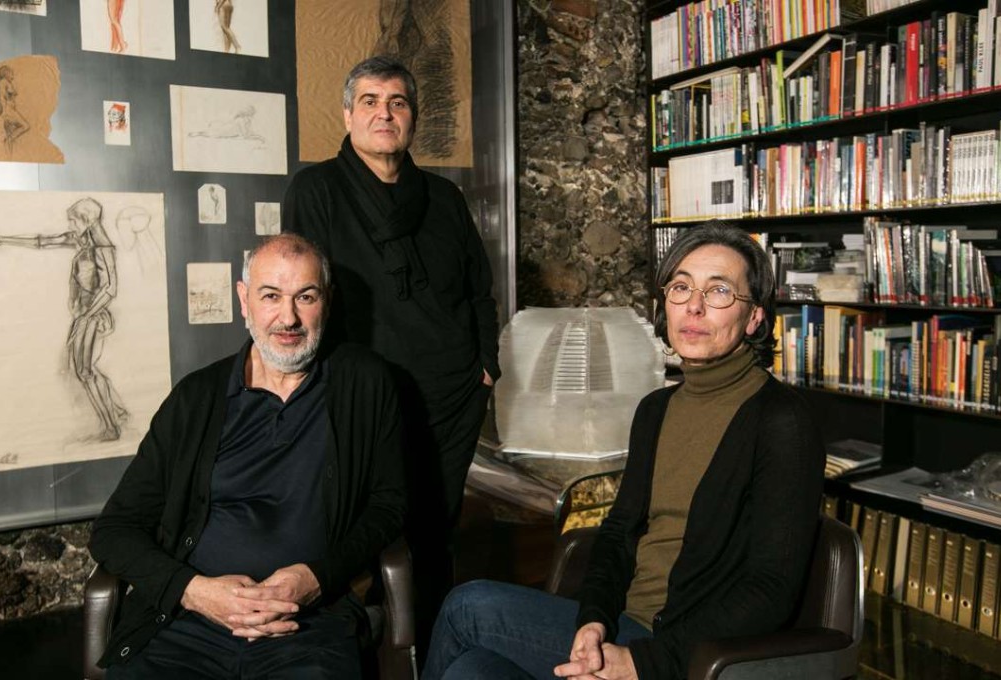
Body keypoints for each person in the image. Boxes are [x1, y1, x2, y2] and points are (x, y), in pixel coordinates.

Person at [422, 222, 826, 680]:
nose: (693, 306)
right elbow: (617, 533)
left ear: (754, 318)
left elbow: (770, 590)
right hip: (621, 626)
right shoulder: (657, 409)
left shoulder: (782, 421)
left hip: (684, 651)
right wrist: (592, 622)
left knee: (466, 606)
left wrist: (640, 662)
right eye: (681, 287)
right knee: (471, 670)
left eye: (718, 291)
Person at [88, 234, 406, 679]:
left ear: (327, 302)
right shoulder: (196, 398)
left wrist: (317, 577)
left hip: (309, 626)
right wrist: (193, 591)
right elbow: (114, 529)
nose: (288, 318)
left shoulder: (365, 384)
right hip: (187, 625)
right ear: (244, 300)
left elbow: (390, 505)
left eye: (306, 297)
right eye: (271, 296)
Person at [282, 55, 500, 652]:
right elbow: (308, 292)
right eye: (371, 102)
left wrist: (487, 366)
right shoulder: (316, 189)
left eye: (397, 102)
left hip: (452, 393)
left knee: (435, 528)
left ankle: (431, 644)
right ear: (348, 115)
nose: (384, 113)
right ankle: (357, 638)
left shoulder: (444, 197)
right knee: (363, 524)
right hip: (366, 392)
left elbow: (479, 288)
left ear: (412, 118)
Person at [0, 197, 127, 441]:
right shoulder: (79, 240)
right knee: (88, 368)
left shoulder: (103, 249)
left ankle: (111, 427)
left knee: (84, 371)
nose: (70, 224)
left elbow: (110, 289)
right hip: (83, 315)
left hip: (91, 316)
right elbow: (42, 241)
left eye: (73, 220)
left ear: (87, 221)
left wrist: (87, 315)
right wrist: (0, 239)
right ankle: (118, 412)